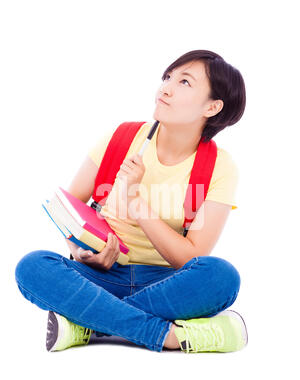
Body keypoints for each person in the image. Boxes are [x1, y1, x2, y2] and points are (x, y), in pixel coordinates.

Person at [15, 49, 248, 354]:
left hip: (166, 283)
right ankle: (167, 336)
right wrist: (80, 251)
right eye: (168, 77)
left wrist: (135, 201)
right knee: (32, 267)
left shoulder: (218, 166)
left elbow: (190, 259)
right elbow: (68, 212)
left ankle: (89, 324)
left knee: (221, 276)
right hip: (100, 275)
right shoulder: (121, 138)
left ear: (212, 107)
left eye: (185, 82)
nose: (165, 88)